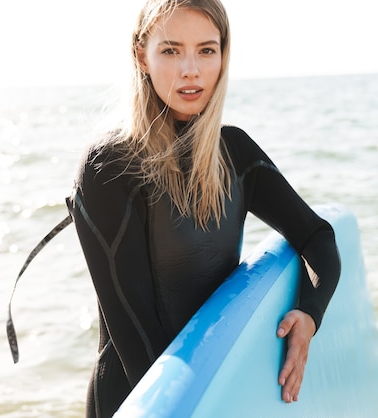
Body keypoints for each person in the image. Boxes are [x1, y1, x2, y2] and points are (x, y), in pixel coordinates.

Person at [69, 0, 341, 416]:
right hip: (140, 400)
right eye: (171, 50)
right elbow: (141, 346)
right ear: (141, 55)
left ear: (223, 56)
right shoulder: (110, 167)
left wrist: (309, 315)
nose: (190, 70)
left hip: (208, 389)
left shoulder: (235, 154)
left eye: (207, 50)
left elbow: (318, 236)